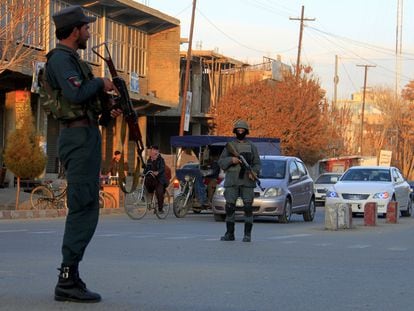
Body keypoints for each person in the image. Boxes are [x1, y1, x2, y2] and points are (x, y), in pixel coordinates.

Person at [46, 5, 122, 303]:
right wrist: (100, 83)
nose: (89, 32)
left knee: (88, 205)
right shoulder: (61, 60)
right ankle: (67, 278)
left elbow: (85, 102)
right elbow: (77, 94)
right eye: (86, 28)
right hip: (77, 138)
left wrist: (109, 109)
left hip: (86, 134)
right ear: (75, 30)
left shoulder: (74, 60)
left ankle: (72, 274)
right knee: (82, 205)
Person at [218, 120, 261, 242]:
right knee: (230, 207)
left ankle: (247, 235)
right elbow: (221, 162)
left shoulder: (252, 146)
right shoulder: (230, 146)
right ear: (235, 131)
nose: (240, 132)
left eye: (242, 130)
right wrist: (232, 160)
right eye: (238, 130)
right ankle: (229, 234)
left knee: (248, 208)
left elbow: (257, 163)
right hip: (232, 181)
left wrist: (255, 173)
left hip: (247, 181)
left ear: (246, 132)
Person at [143, 145, 168, 212]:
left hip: (159, 179)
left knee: (159, 192)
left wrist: (158, 172)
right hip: (152, 179)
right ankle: (147, 201)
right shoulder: (149, 159)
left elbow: (162, 168)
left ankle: (160, 209)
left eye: (153, 150)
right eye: (151, 150)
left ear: (156, 151)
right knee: (146, 185)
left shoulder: (161, 159)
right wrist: (143, 173)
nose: (151, 151)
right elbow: (147, 169)